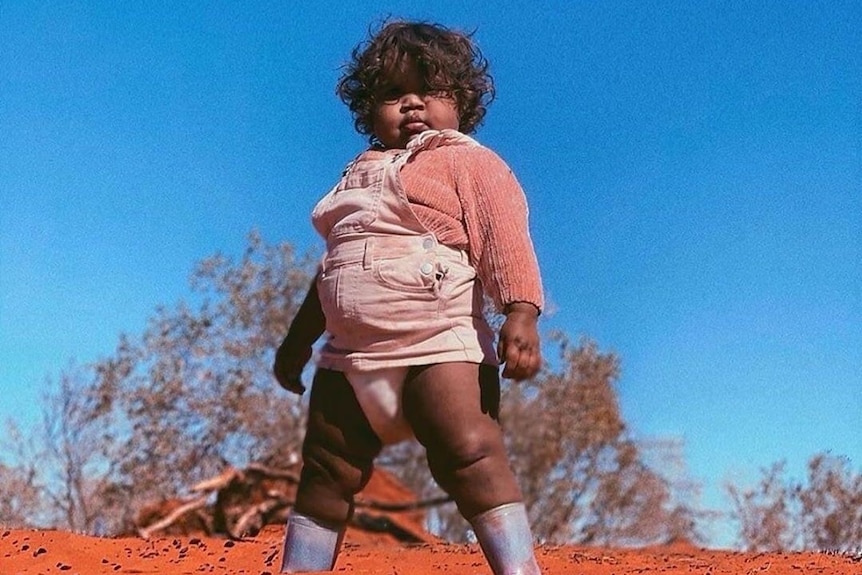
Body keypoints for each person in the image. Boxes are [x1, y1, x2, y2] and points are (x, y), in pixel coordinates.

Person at [273, 20, 544, 574]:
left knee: (469, 451)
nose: (413, 103)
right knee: (325, 469)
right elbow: (331, 268)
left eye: (433, 91)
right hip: (348, 357)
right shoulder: (354, 176)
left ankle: (518, 569)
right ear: (367, 107)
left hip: (438, 342)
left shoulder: (466, 160)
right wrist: (297, 343)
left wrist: (520, 308)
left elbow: (503, 234)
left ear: (463, 104)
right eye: (394, 93)